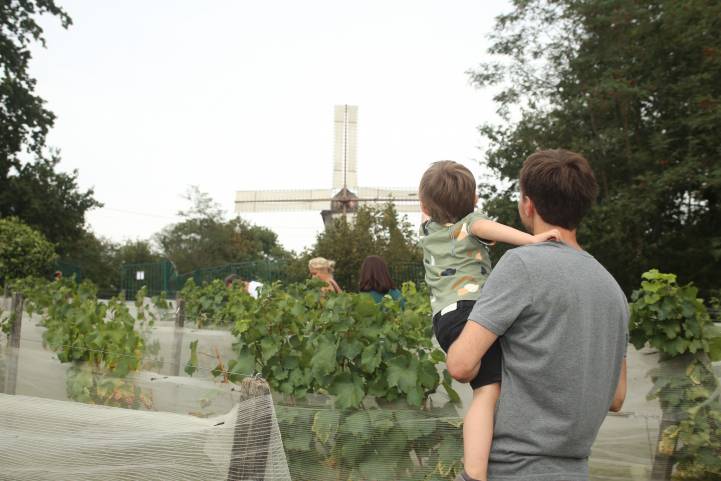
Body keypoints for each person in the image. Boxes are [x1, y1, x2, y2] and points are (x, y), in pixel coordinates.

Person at [446, 150, 628, 481]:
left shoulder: (523, 264)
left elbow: (461, 364)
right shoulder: (613, 290)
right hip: (575, 471)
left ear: (528, 204)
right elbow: (616, 397)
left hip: (510, 469)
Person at [418, 160, 560, 481]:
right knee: (487, 393)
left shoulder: (427, 229)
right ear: (475, 200)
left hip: (444, 321)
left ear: (424, 205)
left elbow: (430, 205)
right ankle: (475, 473)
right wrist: (533, 240)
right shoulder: (469, 223)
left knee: (481, 382)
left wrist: (431, 197)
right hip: (473, 313)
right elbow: (486, 228)